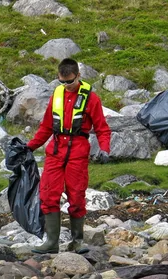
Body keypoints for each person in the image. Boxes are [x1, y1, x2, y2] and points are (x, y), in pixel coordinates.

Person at [27, 58, 111, 254]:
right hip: (55, 152)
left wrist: (105, 149)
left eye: (70, 82)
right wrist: (29, 147)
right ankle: (52, 242)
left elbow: (102, 128)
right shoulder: (56, 96)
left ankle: (77, 241)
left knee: (76, 196)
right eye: (62, 82)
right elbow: (47, 126)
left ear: (78, 76)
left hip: (78, 152)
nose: (66, 86)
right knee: (48, 194)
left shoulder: (91, 99)